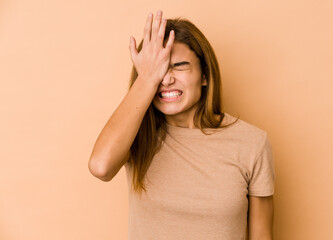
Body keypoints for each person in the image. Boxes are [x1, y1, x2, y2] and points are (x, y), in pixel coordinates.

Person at [88, 10, 275, 240]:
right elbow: (100, 167)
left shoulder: (252, 143)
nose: (165, 79)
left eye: (178, 66)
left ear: (204, 75)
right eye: (158, 69)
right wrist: (147, 78)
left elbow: (262, 236)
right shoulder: (137, 135)